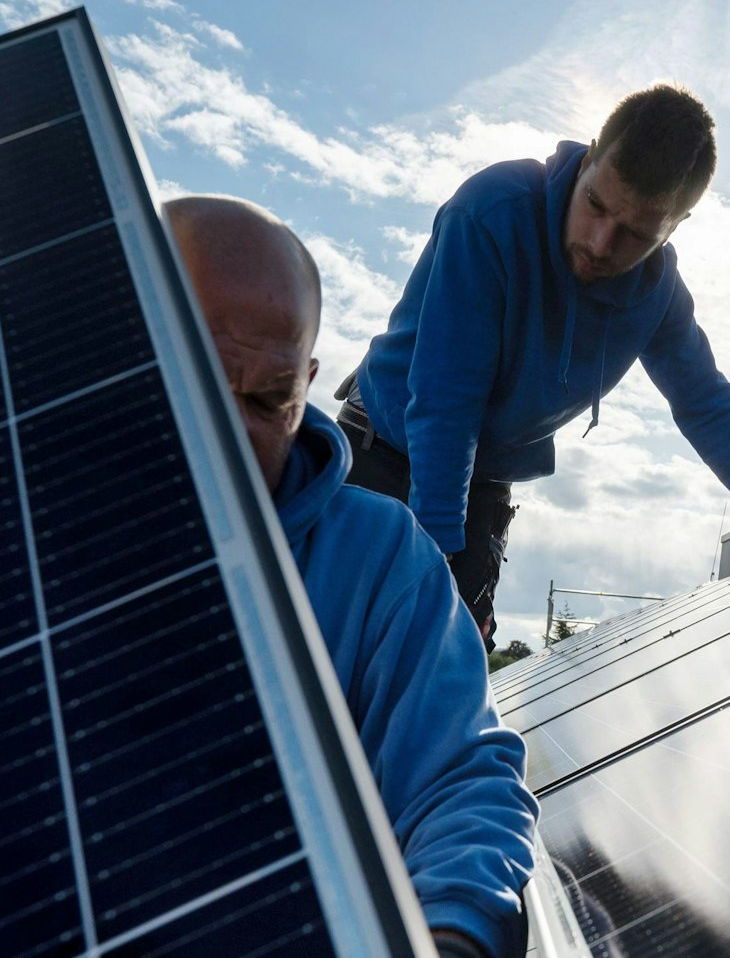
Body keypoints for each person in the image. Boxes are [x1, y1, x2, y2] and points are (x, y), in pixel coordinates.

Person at [338, 83, 730, 649]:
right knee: (349, 654)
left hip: (481, 482)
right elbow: (447, 398)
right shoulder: (492, 212)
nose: (601, 244)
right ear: (590, 155)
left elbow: (708, 405)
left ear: (677, 224)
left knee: (446, 681)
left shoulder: (658, 294)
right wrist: (436, 566)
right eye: (595, 205)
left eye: (636, 233)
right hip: (381, 456)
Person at [163, 195, 536, 958]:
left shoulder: (378, 560)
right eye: (197, 375)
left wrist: (454, 931)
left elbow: (457, 776)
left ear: (307, 383)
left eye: (268, 398)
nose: (230, 428)